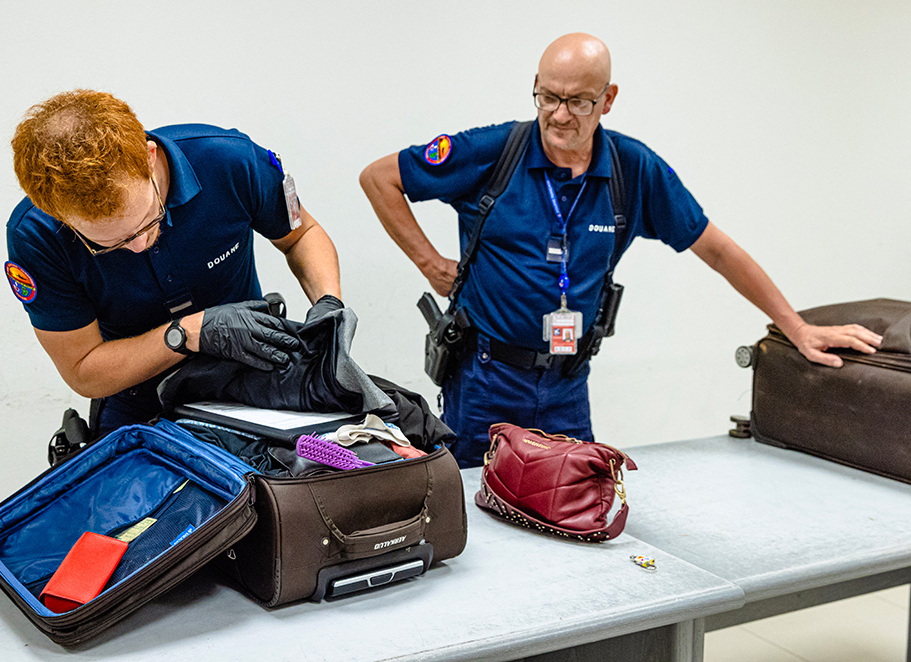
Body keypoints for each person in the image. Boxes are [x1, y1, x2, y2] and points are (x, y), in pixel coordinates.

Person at [359, 33, 882, 468]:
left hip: (568, 383)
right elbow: (380, 178)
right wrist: (430, 264)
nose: (559, 115)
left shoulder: (633, 170)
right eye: (547, 97)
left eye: (578, 101)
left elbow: (718, 249)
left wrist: (795, 326)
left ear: (607, 99)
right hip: (485, 378)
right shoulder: (491, 151)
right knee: (476, 521)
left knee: (573, 517)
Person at [5, 89, 342, 436]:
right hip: (138, 402)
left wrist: (328, 302)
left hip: (254, 377)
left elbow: (301, 235)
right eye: (111, 244)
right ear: (55, 213)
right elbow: (83, 368)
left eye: (149, 221)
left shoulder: (229, 161)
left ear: (149, 156)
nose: (137, 245)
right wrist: (190, 333)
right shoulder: (36, 235)